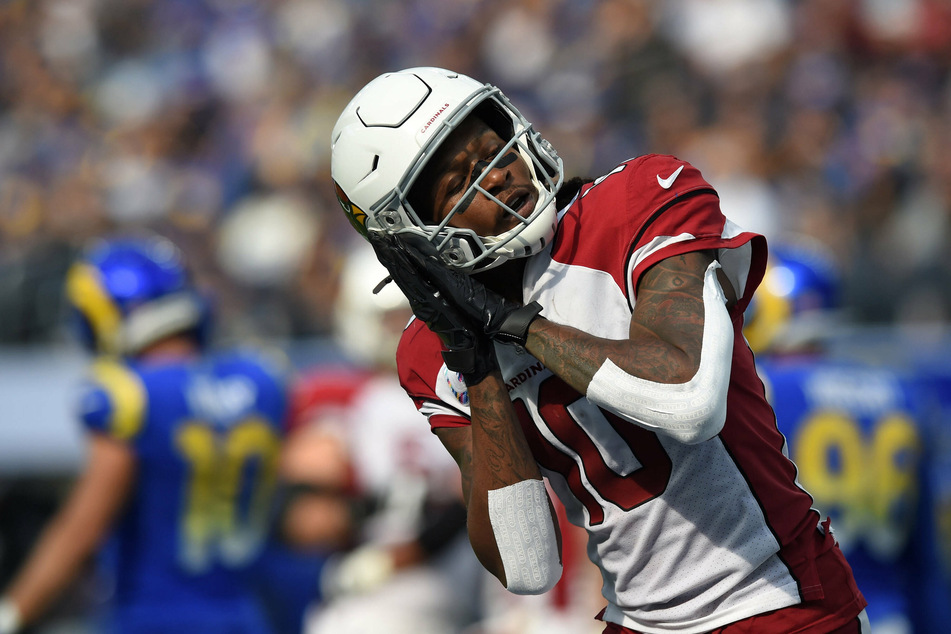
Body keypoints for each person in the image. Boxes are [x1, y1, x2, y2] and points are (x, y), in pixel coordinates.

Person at [329, 66, 870, 633]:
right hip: (634, 620)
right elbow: (526, 562)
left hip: (777, 600)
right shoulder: (430, 353)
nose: (500, 177)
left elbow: (687, 400)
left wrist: (515, 324)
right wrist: (477, 360)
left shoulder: (637, 201)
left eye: (493, 151)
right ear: (408, 236)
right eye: (459, 182)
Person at [0, 235, 290, 634]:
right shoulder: (261, 379)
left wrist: (13, 611)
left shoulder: (127, 394)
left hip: (154, 616)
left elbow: (82, 526)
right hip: (244, 615)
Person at [282, 240, 484, 634]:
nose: (400, 331)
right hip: (389, 568)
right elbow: (304, 522)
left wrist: (400, 554)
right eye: (389, 319)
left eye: (406, 316)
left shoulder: (463, 388)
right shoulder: (346, 397)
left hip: (444, 568)